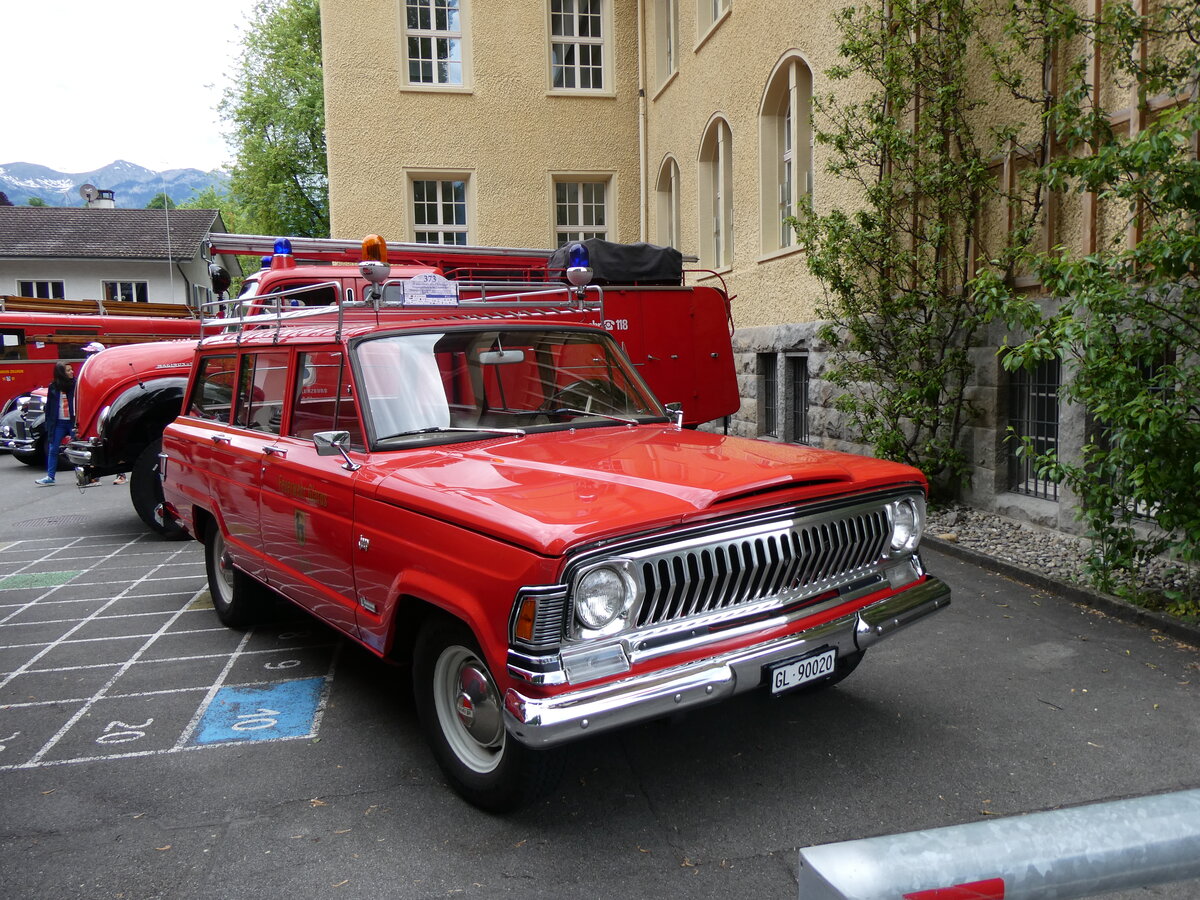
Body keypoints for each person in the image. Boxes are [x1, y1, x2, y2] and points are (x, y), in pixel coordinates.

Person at [35, 361, 75, 486]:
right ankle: (50, 476)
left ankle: (87, 475)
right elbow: (49, 407)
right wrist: (49, 424)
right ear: (61, 373)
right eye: (68, 370)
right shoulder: (53, 387)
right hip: (58, 423)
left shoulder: (76, 385)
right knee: (53, 449)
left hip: (73, 422)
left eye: (71, 369)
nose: (72, 372)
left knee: (80, 447)